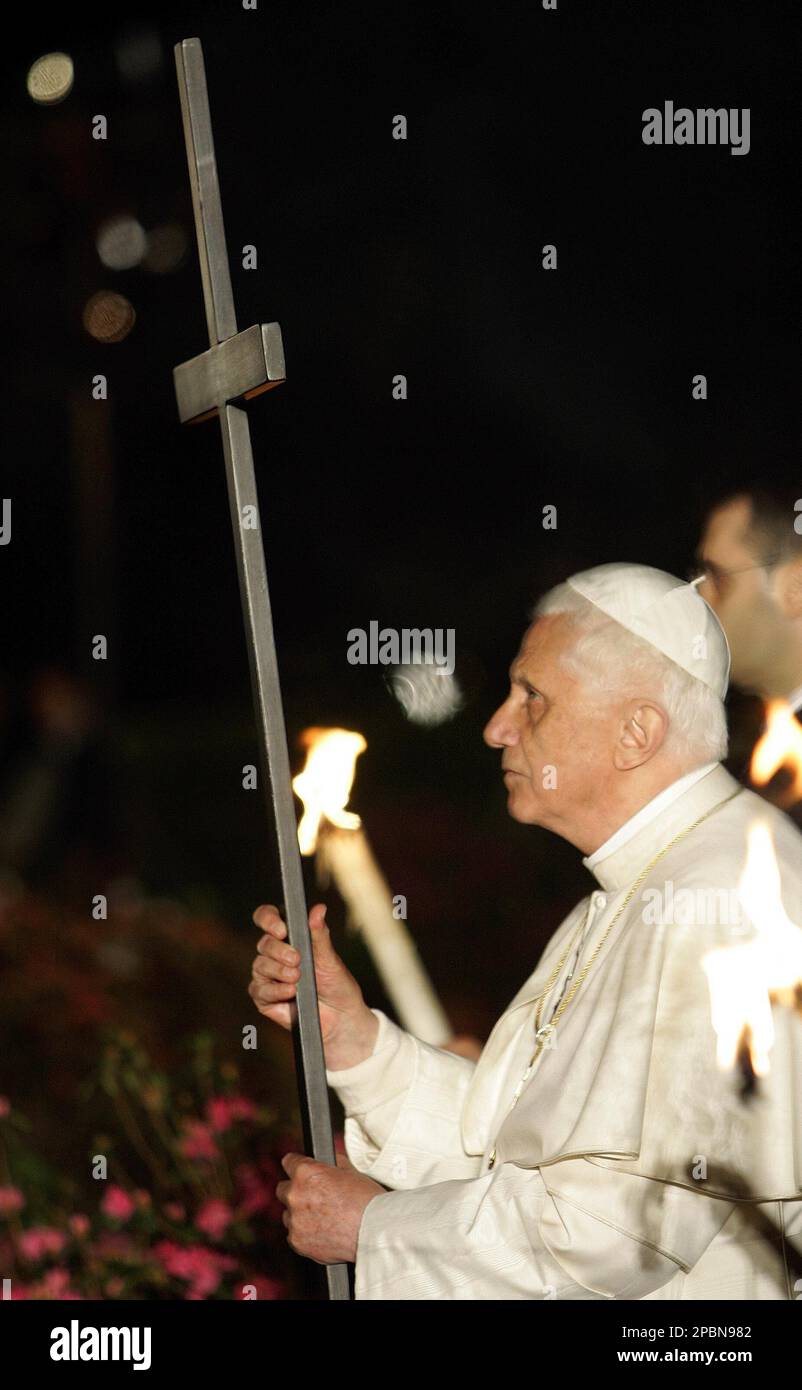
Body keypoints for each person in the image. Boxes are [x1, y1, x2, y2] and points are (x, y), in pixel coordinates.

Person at [249, 563, 802, 1299]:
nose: (495, 726)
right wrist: (355, 1042)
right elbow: (514, 1156)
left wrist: (376, 1229)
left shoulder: (720, 904)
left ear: (636, 731)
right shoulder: (629, 893)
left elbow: (616, 1241)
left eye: (531, 698)